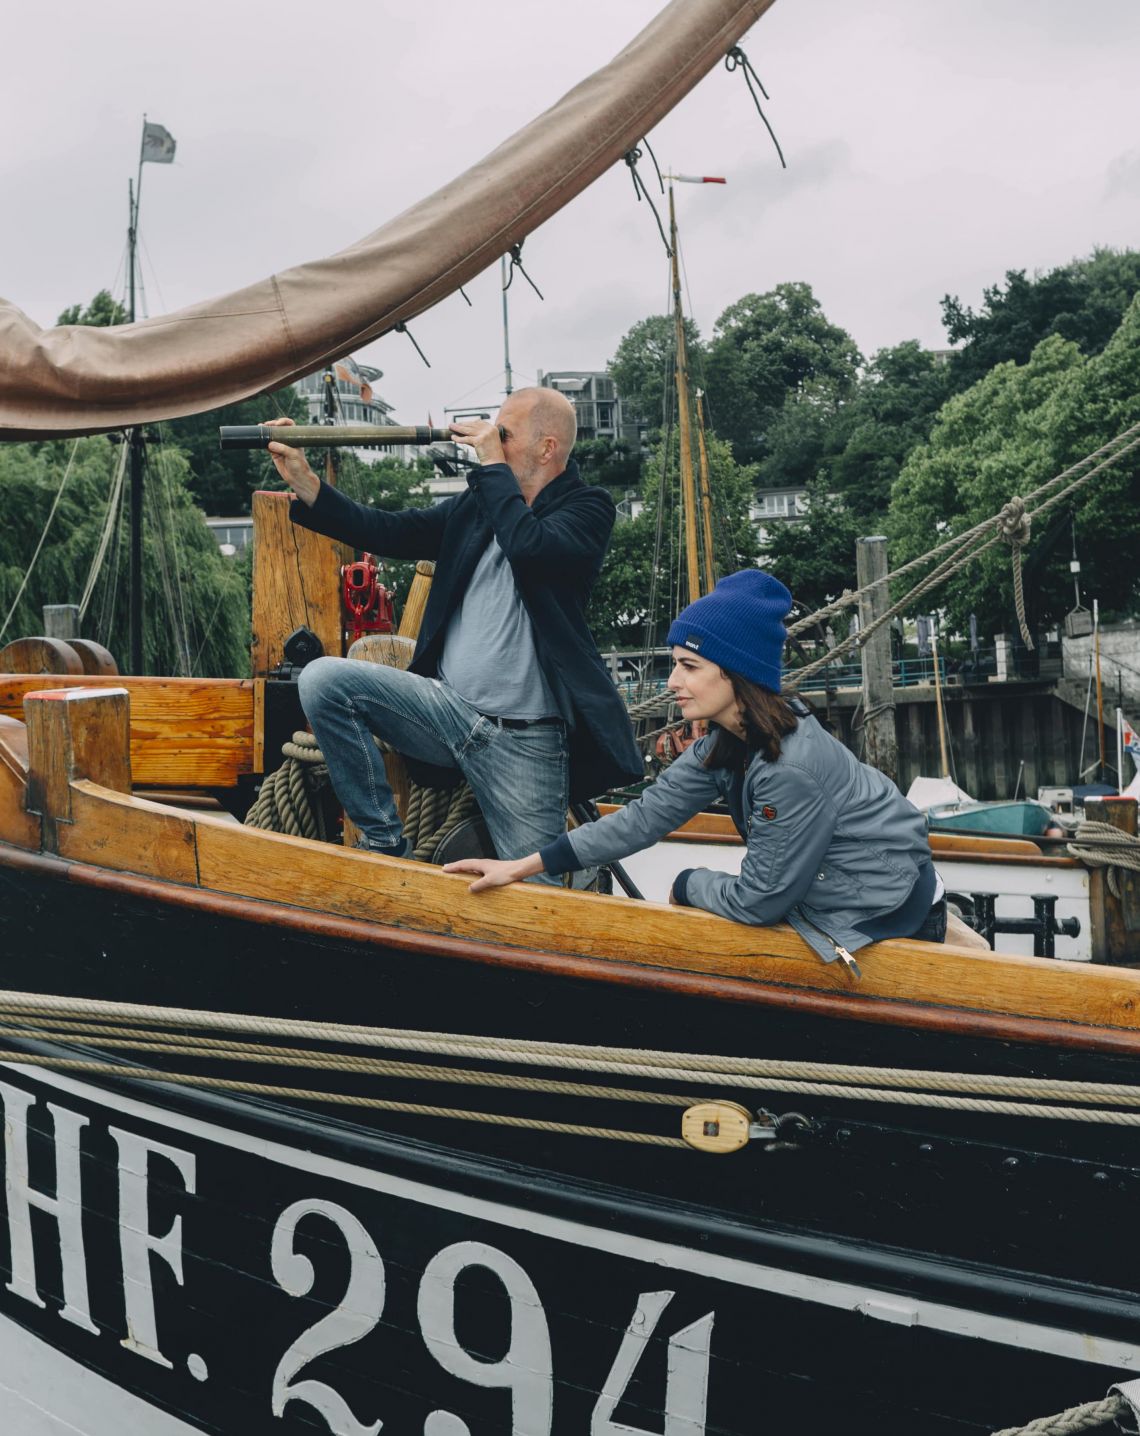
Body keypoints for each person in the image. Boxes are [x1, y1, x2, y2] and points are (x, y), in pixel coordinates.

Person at [445, 569, 946, 969]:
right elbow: (643, 819)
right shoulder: (729, 742)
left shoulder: (787, 768)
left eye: (689, 666)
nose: (673, 682)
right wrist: (523, 865)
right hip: (858, 886)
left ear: (736, 673)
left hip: (883, 910)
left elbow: (758, 903)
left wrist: (687, 883)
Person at [264, 387, 642, 880]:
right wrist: (307, 483)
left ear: (547, 449)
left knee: (541, 895)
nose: (490, 440)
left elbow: (529, 547)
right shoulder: (479, 505)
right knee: (323, 681)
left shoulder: (587, 509)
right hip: (449, 713)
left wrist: (491, 470)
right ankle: (382, 844)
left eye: (503, 434)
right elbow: (390, 531)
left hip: (526, 742)